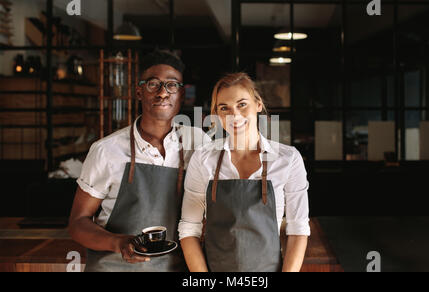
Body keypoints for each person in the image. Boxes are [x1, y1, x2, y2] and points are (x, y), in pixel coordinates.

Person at [68, 50, 209, 272]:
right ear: (138, 92)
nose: (163, 93)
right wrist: (119, 243)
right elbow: (78, 223)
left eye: (172, 85)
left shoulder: (198, 143)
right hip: (114, 267)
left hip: (176, 267)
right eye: (153, 84)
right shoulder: (106, 150)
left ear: (181, 95)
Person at [178, 72, 310, 272]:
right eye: (224, 108)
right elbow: (189, 228)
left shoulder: (288, 159)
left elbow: (298, 229)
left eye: (242, 105)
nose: (235, 115)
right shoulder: (204, 158)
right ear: (217, 115)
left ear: (258, 104)